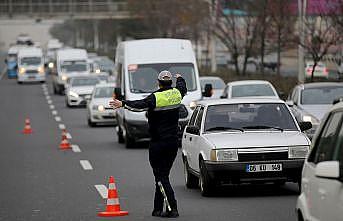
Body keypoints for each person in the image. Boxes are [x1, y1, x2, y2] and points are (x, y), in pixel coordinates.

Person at [110, 70, 187, 218]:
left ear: (158, 82)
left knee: (161, 177)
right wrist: (181, 78)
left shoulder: (155, 97)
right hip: (172, 143)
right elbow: (183, 88)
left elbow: (139, 105)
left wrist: (122, 103)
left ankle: (173, 208)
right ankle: (157, 209)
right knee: (162, 176)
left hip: (158, 143)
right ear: (170, 82)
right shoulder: (177, 94)